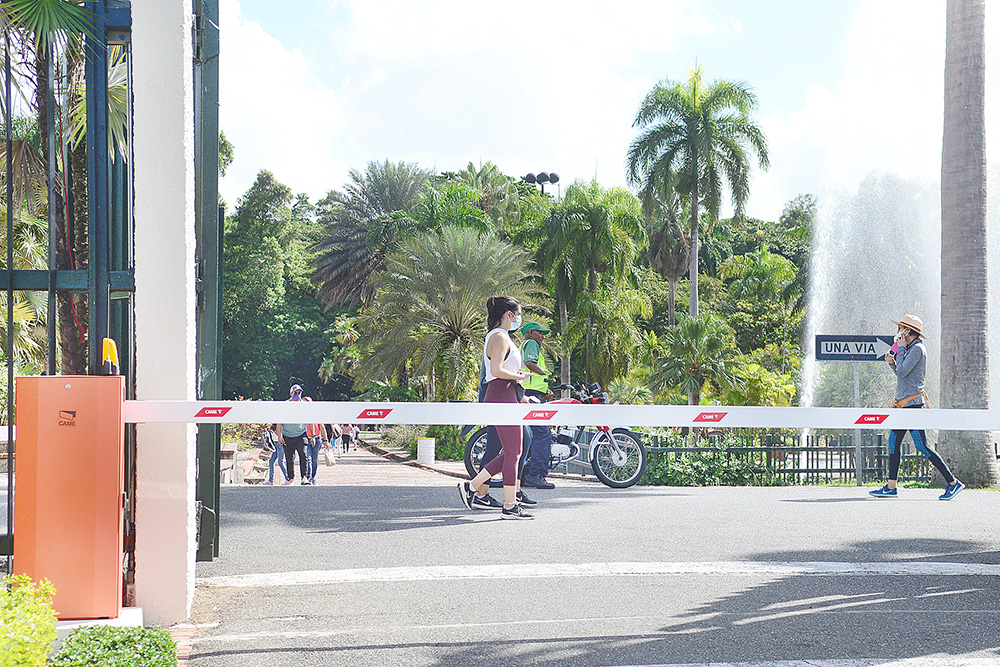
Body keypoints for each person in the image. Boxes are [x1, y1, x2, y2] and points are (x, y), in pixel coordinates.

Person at [870, 314, 964, 500]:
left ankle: (953, 483)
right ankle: (891, 487)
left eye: (900, 329)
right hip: (903, 406)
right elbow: (901, 372)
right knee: (893, 443)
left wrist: (901, 349)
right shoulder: (910, 348)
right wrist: (892, 363)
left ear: (907, 331)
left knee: (922, 446)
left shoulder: (917, 349)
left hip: (912, 406)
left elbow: (903, 371)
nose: (897, 332)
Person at [459, 296, 533, 519]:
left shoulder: (500, 336)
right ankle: (509, 505)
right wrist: (520, 376)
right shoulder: (500, 337)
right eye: (518, 314)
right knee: (514, 452)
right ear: (509, 315)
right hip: (501, 392)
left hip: (506, 393)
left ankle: (473, 486)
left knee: (514, 452)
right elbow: (497, 369)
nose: (519, 319)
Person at [519, 321, 555, 490]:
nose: (542, 337)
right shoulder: (532, 343)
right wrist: (543, 372)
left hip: (532, 394)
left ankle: (527, 472)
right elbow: (529, 363)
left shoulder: (526, 344)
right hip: (531, 395)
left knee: (533, 435)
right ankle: (536, 475)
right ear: (531, 332)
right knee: (543, 434)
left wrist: (545, 389)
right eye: (540, 333)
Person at [277, 384, 311, 485]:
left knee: (303, 454)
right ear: (291, 393)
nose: (297, 394)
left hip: (301, 434)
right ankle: (290, 479)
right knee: (289, 458)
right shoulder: (285, 405)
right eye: (295, 392)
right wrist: (279, 436)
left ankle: (304, 477)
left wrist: (312, 435)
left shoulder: (304, 405)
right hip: (287, 435)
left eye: (299, 392)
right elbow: (279, 422)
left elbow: (310, 420)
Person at [303, 397, 329, 485]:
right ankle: (308, 478)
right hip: (306, 438)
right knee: (308, 459)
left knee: (315, 460)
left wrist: (325, 440)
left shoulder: (317, 414)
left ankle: (313, 477)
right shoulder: (301, 414)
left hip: (317, 438)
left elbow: (322, 428)